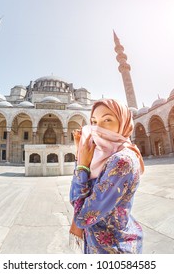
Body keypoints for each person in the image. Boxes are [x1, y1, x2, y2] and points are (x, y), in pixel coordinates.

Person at [69, 98, 145, 254]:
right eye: (94, 121)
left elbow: (83, 216)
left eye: (107, 120)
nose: (98, 128)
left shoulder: (122, 160)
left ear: (123, 123)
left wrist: (81, 164)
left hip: (114, 250)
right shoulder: (106, 155)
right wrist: (81, 156)